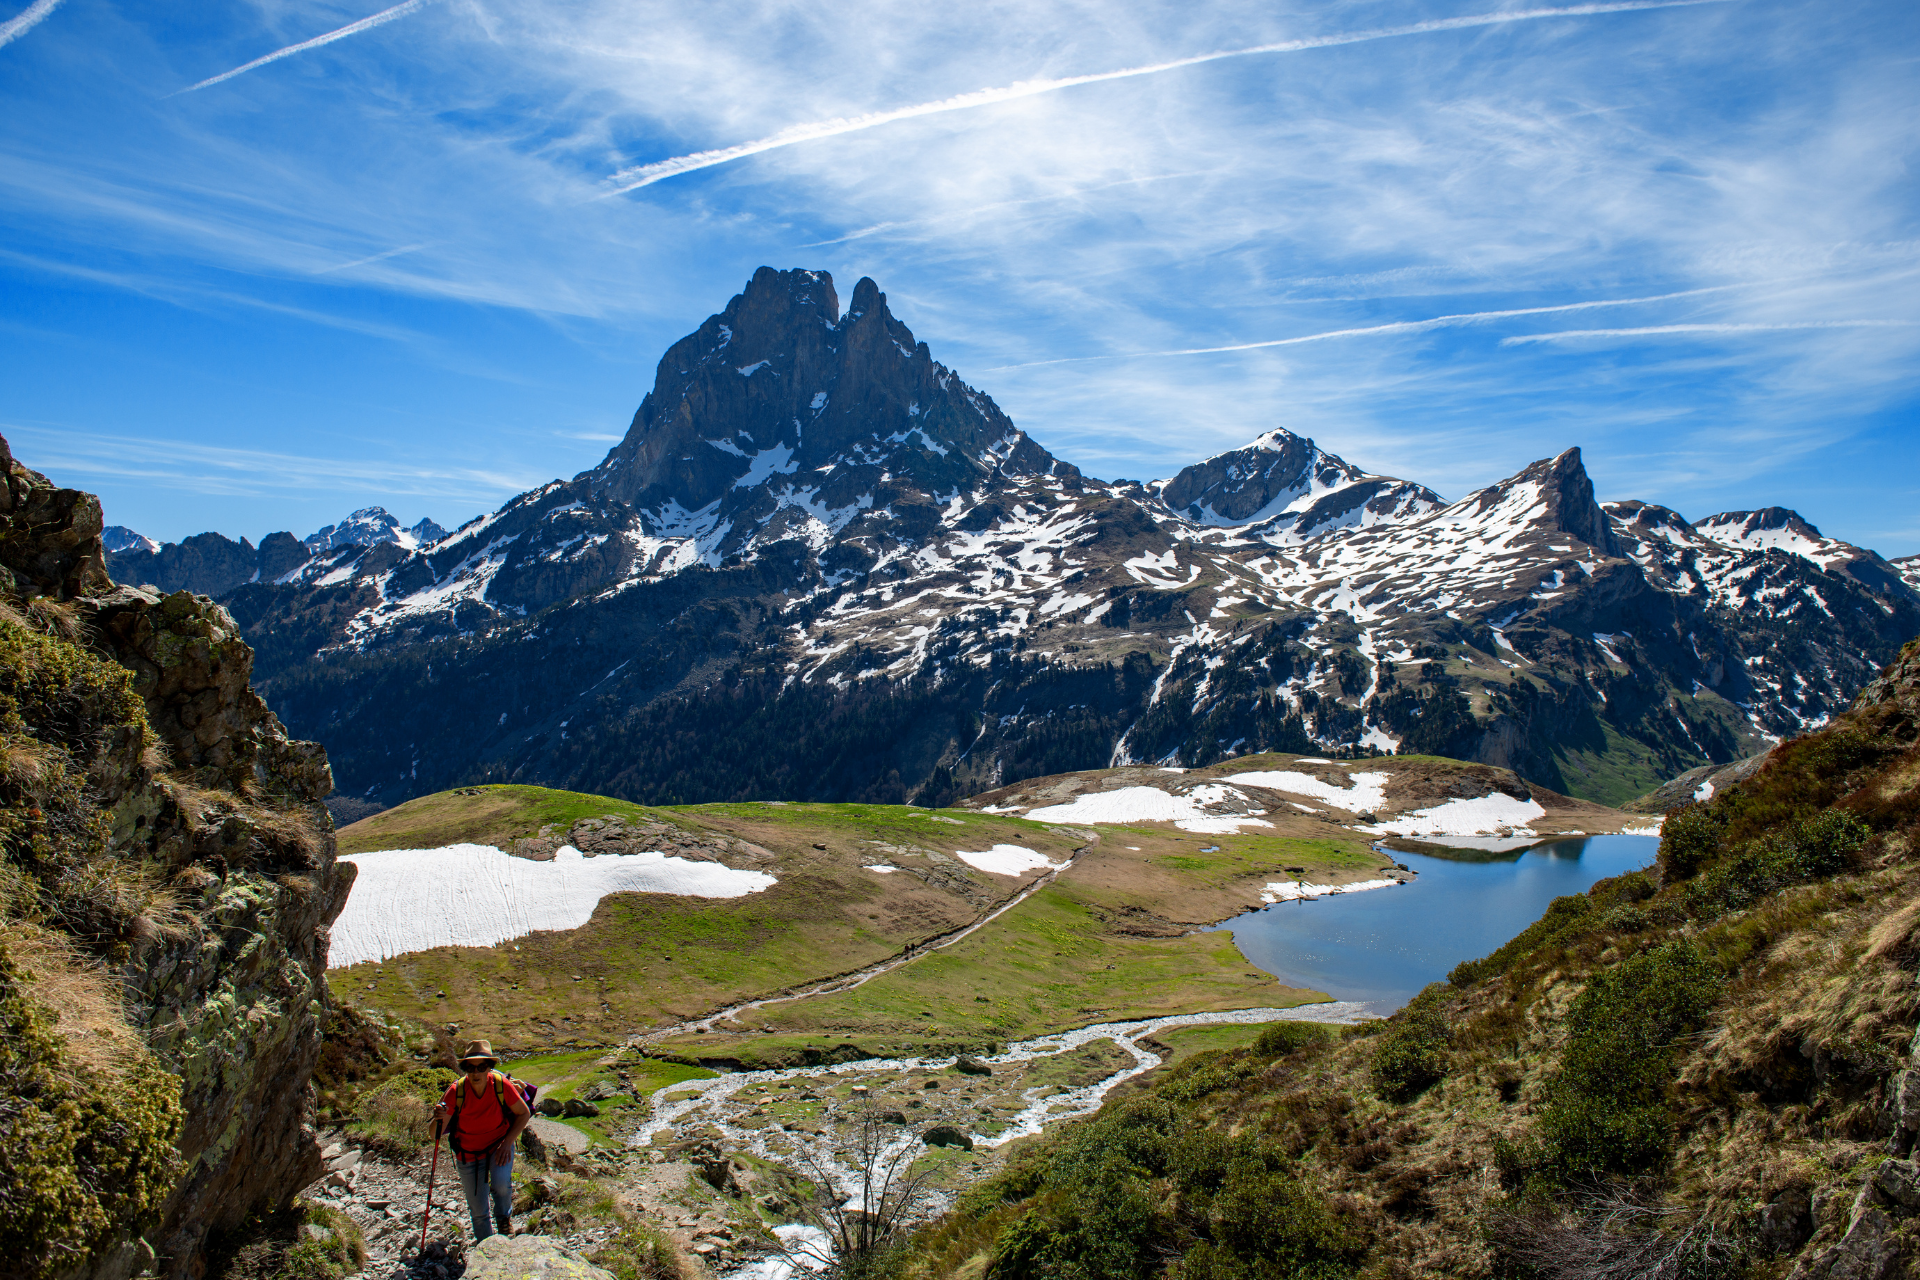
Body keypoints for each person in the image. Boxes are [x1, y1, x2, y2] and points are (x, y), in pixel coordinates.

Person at [434, 1039, 531, 1241]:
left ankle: (504, 1220)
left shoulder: (501, 1085)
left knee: (501, 1186)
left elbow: (524, 1113)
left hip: (498, 1146)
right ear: (465, 1069)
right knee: (478, 1211)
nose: (476, 1072)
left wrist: (506, 1144)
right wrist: (438, 1118)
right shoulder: (456, 1091)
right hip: (467, 1154)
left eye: (481, 1067)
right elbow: (432, 1133)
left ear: (489, 1068)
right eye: (470, 1067)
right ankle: (486, 1251)